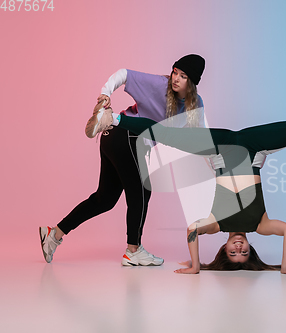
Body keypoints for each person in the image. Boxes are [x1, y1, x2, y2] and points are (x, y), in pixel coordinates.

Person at [86, 86, 286, 274]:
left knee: (169, 135)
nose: (239, 248)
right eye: (244, 253)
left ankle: (112, 120)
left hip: (223, 147)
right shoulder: (261, 225)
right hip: (254, 145)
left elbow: (192, 230)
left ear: (224, 249)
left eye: (233, 253)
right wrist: (283, 268)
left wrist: (196, 266)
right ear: (251, 251)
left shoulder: (217, 224)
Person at [39, 54, 206, 266]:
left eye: (183, 76)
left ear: (192, 83)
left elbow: (199, 136)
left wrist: (208, 159)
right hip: (125, 134)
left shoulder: (195, 105)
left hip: (113, 139)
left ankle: (53, 235)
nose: (175, 79)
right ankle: (133, 250)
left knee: (104, 199)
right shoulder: (160, 85)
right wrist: (105, 94)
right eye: (175, 72)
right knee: (142, 191)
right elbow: (124, 74)